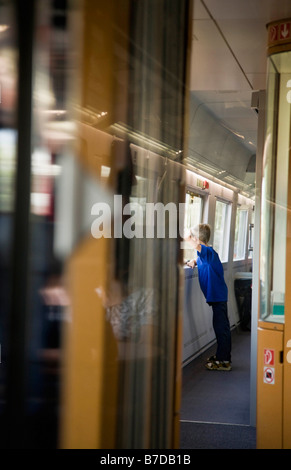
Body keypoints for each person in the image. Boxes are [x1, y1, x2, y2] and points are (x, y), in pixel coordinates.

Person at [186, 223, 232, 371]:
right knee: (220, 327)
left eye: (194, 237)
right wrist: (192, 261)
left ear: (198, 239)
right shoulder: (203, 255)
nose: (191, 239)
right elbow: (200, 260)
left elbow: (190, 241)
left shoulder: (209, 253)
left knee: (221, 328)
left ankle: (224, 360)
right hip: (217, 297)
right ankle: (221, 355)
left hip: (218, 297)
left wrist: (188, 235)